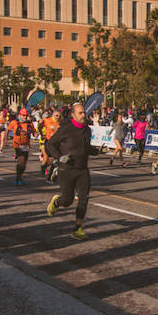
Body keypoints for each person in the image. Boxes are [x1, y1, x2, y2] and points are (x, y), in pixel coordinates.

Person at [46, 103, 100, 241]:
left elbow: (85, 147)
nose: (83, 115)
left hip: (82, 169)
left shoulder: (87, 130)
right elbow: (51, 144)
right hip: (67, 169)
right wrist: (60, 157)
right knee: (67, 200)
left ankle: (78, 228)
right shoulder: (66, 129)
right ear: (73, 115)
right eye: (80, 113)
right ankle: (57, 202)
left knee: (84, 198)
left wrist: (96, 151)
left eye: (84, 113)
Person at [8, 108, 37, 185]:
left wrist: (36, 134)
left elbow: (34, 132)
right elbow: (7, 130)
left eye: (26, 115)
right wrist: (5, 140)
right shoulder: (14, 122)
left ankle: (20, 177)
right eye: (23, 115)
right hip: (17, 144)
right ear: (19, 115)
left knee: (24, 163)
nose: (25, 117)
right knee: (21, 160)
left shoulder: (29, 123)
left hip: (26, 145)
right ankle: (17, 179)